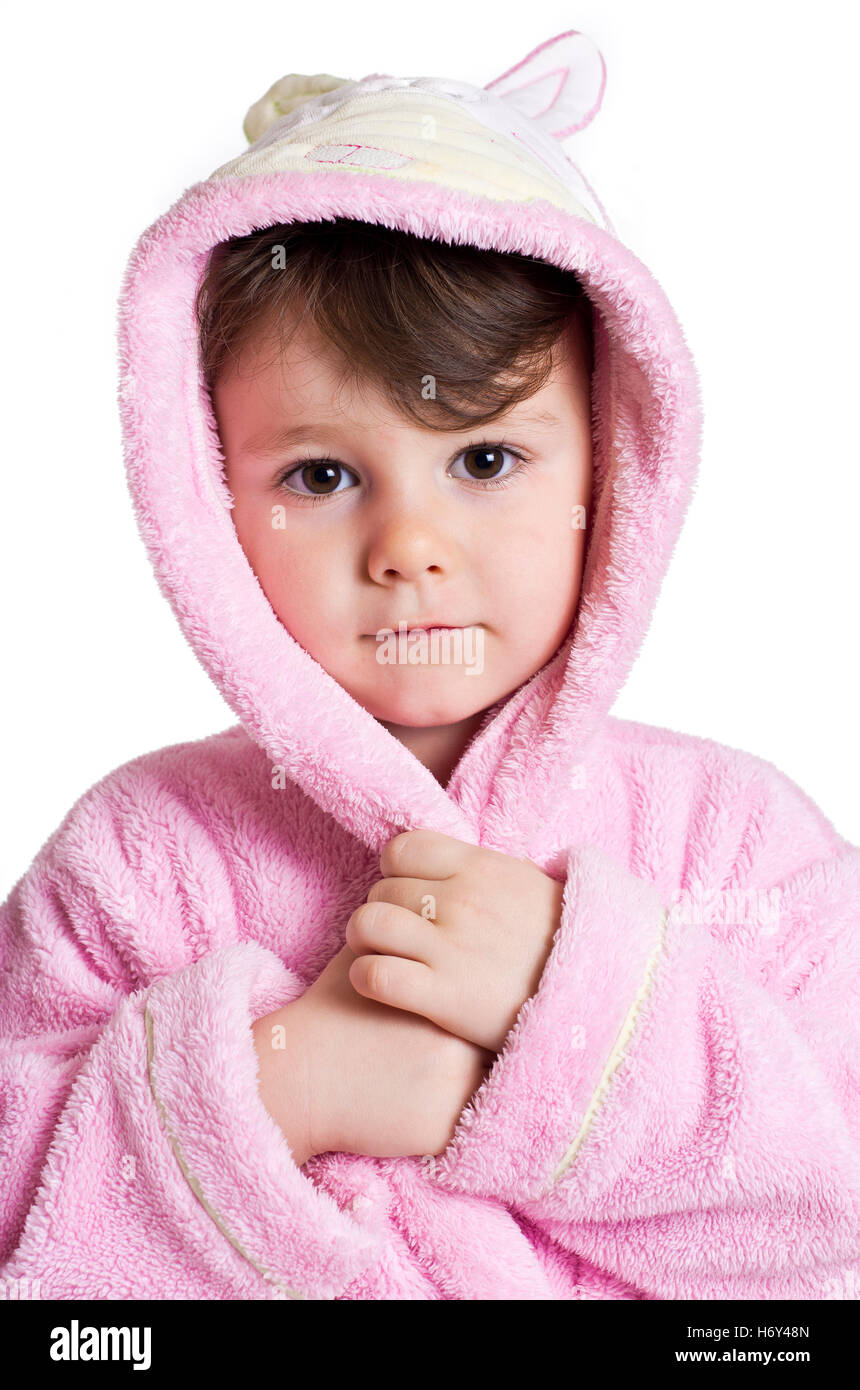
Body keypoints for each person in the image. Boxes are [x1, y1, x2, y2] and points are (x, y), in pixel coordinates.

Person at [1, 30, 857, 1302]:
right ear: (204, 498)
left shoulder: (741, 851)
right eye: (323, 475)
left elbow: (826, 1234)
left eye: (485, 460)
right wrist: (274, 1086)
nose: (408, 548)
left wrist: (588, 1015)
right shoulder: (133, 861)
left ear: (610, 464)